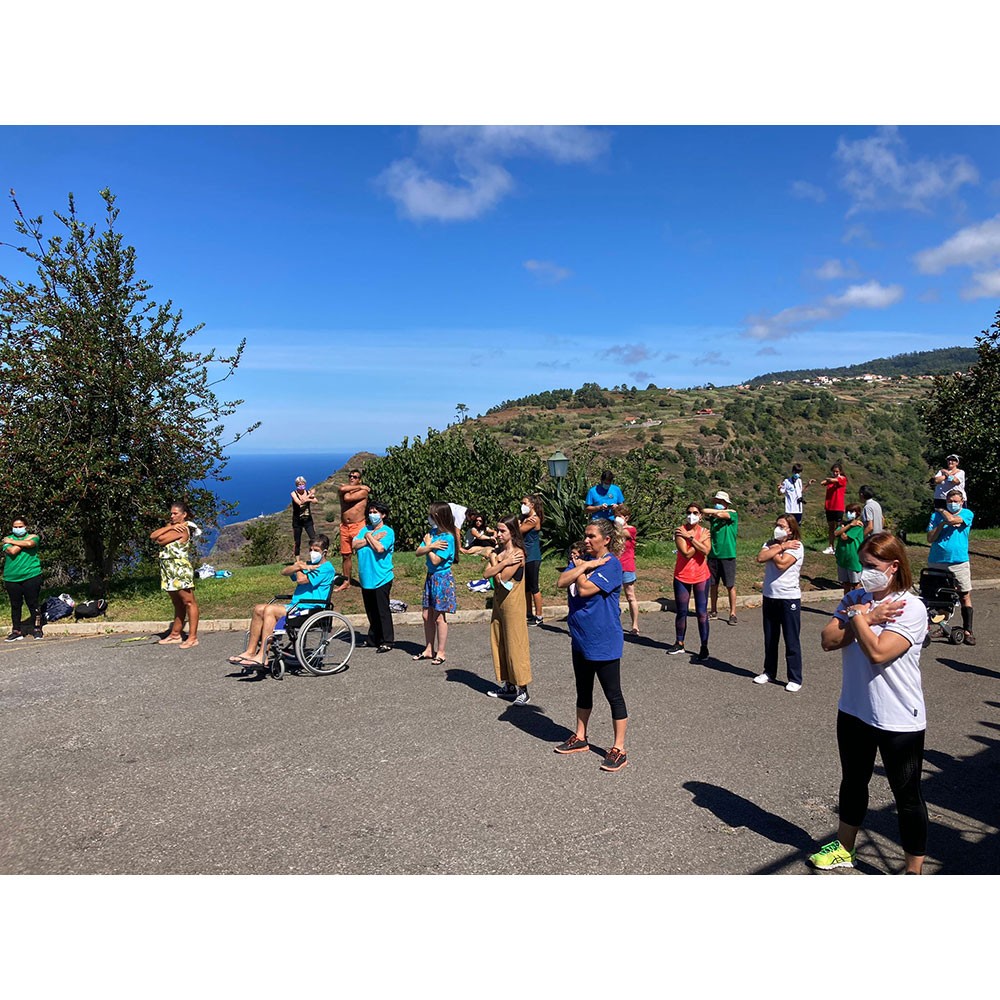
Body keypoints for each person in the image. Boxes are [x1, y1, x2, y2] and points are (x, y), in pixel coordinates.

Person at [812, 532, 928, 873]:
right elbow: (827, 639)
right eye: (862, 564)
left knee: (906, 797)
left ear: (893, 567)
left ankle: (913, 871)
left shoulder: (911, 607)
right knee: (853, 781)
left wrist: (860, 617)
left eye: (872, 565)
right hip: (854, 709)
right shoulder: (858, 598)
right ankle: (845, 850)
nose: (865, 572)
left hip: (898, 718)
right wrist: (869, 617)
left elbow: (878, 653)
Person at [554, 517, 629, 772]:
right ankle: (580, 737)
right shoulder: (585, 560)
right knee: (583, 690)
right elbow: (562, 582)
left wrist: (586, 567)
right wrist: (585, 565)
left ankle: (619, 748)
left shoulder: (611, 565)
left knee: (613, 695)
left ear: (606, 540)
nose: (586, 540)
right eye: (585, 536)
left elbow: (584, 589)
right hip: (580, 639)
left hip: (604, 640)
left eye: (591, 537)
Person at [230, 535, 336, 668]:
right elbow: (284, 571)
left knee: (270, 610)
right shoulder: (307, 565)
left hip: (311, 609)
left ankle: (263, 655)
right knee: (258, 609)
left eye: (316, 550)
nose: (312, 553)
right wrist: (298, 566)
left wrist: (298, 567)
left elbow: (301, 580)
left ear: (324, 552)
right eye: (310, 549)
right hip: (297, 606)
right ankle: (250, 652)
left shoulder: (326, 568)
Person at [483, 515, 532, 705]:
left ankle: (523, 689)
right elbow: (486, 573)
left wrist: (496, 560)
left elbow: (500, 578)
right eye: (497, 530)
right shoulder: (499, 553)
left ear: (512, 532)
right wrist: (499, 559)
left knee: (515, 644)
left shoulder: (518, 554)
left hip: (513, 605)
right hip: (499, 603)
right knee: (499, 641)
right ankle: (509, 685)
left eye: (502, 530)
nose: (498, 534)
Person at [753, 514, 804, 691]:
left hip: (789, 597)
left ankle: (795, 678)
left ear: (791, 529)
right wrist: (780, 546)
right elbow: (760, 557)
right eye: (777, 525)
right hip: (769, 596)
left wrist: (773, 550)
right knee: (770, 638)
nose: (778, 529)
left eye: (782, 526)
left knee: (791, 639)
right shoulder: (772, 542)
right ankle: (769, 672)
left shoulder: (797, 546)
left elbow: (782, 564)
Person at [926, 489, 976, 645]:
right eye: (950, 501)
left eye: (956, 501)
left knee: (964, 595)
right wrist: (940, 523)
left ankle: (968, 630)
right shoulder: (935, 517)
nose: (953, 503)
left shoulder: (967, 513)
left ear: (961, 501)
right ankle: (943, 626)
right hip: (937, 560)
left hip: (959, 562)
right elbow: (930, 537)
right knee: (940, 597)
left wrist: (941, 510)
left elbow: (955, 521)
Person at [413, 501, 460, 665]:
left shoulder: (448, 537)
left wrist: (428, 546)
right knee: (427, 615)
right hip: (431, 577)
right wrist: (431, 545)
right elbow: (418, 552)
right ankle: (428, 649)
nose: (429, 518)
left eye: (432, 515)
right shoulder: (433, 533)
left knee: (439, 617)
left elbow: (435, 559)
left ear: (439, 517)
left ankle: (441, 651)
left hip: (442, 579)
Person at [149, 500, 201, 649]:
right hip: (168, 569)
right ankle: (175, 634)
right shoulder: (173, 527)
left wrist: (167, 530)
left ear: (184, 515)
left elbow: (160, 540)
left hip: (179, 568)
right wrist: (169, 527)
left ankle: (192, 637)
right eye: (171, 513)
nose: (171, 516)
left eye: (175, 513)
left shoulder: (184, 529)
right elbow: (153, 536)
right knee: (177, 602)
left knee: (188, 601)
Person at [665, 502, 712, 662]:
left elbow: (707, 551)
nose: (691, 515)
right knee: (681, 611)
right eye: (689, 512)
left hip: (701, 576)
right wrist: (696, 540)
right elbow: (685, 553)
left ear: (701, 516)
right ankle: (679, 642)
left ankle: (704, 647)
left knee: (701, 613)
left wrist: (691, 538)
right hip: (682, 576)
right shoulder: (680, 531)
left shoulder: (704, 531)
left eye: (695, 512)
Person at [353, 501, 395, 653]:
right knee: (371, 610)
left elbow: (379, 548)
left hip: (381, 577)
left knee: (382, 610)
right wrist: (370, 536)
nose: (372, 515)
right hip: (366, 578)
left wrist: (368, 538)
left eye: (375, 512)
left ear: (383, 515)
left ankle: (387, 640)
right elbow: (354, 545)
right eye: (370, 512)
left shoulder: (388, 532)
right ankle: (373, 639)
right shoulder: (365, 530)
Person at [2, 517, 44, 641]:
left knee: (33, 603)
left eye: (21, 526)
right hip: (12, 577)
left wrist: (18, 541)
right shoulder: (7, 540)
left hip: (31, 575)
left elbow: (31, 543)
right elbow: (13, 551)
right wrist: (24, 541)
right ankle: (16, 630)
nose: (18, 529)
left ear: (26, 527)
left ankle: (37, 628)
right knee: (15, 605)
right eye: (15, 526)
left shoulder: (33, 537)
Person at [703, 490, 739, 626]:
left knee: (730, 585)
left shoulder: (732, 514)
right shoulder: (714, 516)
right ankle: (713, 610)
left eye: (720, 502)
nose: (718, 504)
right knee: (713, 584)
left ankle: (733, 613)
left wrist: (715, 511)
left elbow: (721, 513)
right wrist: (713, 512)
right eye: (716, 502)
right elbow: (704, 510)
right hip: (713, 554)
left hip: (728, 554)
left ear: (725, 504)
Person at [334, 469, 370, 591]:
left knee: (363, 553)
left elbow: (348, 498)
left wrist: (355, 488)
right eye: (350, 476)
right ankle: (346, 581)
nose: (352, 478)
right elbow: (342, 491)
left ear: (359, 479)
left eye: (355, 477)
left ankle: (366, 580)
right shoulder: (359, 487)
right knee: (346, 555)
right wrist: (360, 486)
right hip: (345, 526)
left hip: (358, 526)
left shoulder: (363, 492)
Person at [519, 494, 545, 626]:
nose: (522, 505)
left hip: (533, 557)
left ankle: (539, 615)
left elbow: (518, 531)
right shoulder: (525, 518)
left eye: (525, 503)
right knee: (526, 588)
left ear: (532, 505)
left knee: (534, 587)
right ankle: (528, 613)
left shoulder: (534, 520)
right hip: (525, 556)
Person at [617, 507, 640, 635]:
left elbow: (623, 533)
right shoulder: (613, 528)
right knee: (613, 596)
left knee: (630, 596)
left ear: (626, 518)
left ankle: (635, 625)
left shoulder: (631, 529)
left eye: (620, 515)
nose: (617, 517)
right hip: (615, 566)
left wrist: (617, 526)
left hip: (627, 565)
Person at [834, 503, 864, 595]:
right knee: (845, 583)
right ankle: (846, 604)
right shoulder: (846, 524)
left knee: (855, 583)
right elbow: (836, 533)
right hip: (843, 558)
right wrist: (849, 525)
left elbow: (845, 537)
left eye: (851, 512)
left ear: (857, 513)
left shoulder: (858, 526)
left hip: (853, 558)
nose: (848, 514)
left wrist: (842, 530)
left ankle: (857, 603)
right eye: (847, 512)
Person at [821, 463, 848, 554]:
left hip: (838, 507)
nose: (835, 473)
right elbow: (823, 483)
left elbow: (833, 480)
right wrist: (829, 481)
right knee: (831, 527)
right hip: (829, 506)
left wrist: (830, 480)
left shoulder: (842, 479)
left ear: (840, 472)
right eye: (834, 471)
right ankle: (831, 546)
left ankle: (839, 547)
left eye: (837, 471)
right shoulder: (832, 482)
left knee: (839, 528)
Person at [290, 476, 317, 559]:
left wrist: (310, 497)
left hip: (308, 519)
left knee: (313, 538)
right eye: (299, 484)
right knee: (297, 541)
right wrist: (310, 496)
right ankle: (297, 561)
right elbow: (299, 502)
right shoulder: (293, 493)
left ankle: (314, 557)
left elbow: (316, 501)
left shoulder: (307, 492)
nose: (301, 485)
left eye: (302, 484)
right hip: (297, 520)